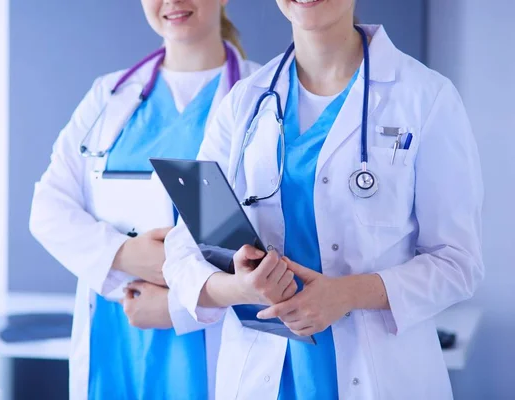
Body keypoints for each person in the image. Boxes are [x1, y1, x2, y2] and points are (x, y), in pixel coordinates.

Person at [162, 0, 484, 399]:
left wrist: (347, 293)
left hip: (379, 377)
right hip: (262, 376)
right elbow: (183, 249)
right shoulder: (245, 102)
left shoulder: (425, 97)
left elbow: (457, 263)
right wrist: (240, 288)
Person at [29, 0, 260, 399]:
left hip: (209, 330)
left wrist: (177, 302)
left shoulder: (261, 95)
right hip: (115, 331)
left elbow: (270, 238)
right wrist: (124, 254)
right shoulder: (109, 95)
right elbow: (48, 209)